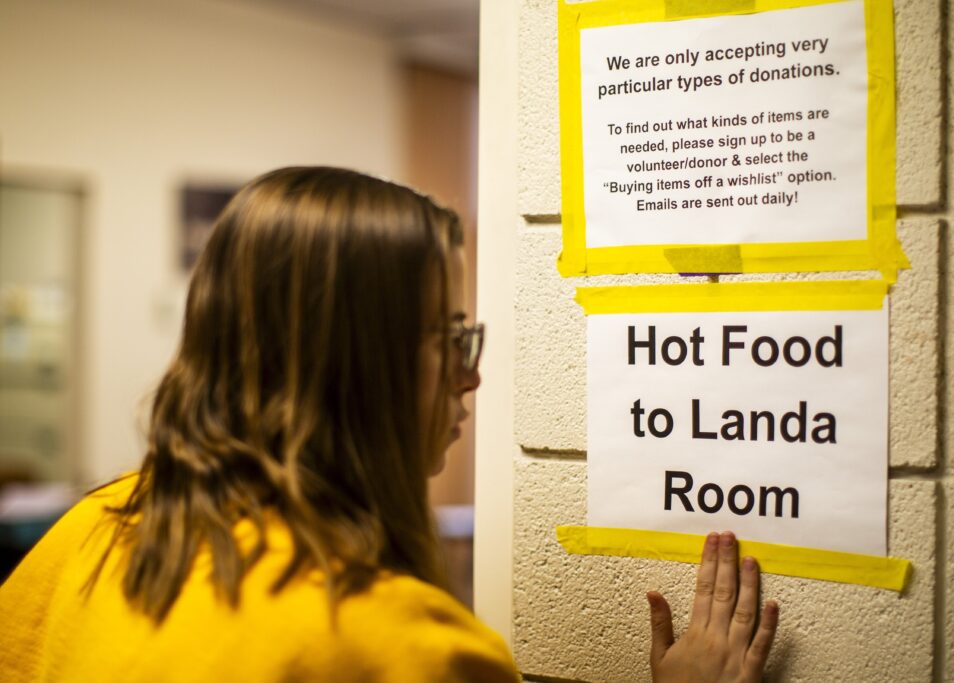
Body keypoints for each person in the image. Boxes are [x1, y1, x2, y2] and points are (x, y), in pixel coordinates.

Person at [0, 167, 778, 681]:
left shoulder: (91, 533)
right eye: (452, 339)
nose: (473, 374)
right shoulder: (406, 648)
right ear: (360, 363)